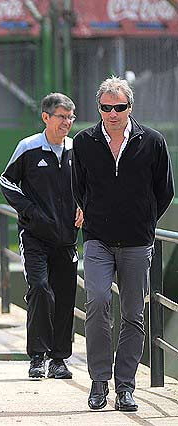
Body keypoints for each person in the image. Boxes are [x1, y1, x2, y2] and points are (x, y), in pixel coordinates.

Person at [72, 76, 174, 412]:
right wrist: (94, 215)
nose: (112, 113)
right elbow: (79, 187)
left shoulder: (153, 142)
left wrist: (144, 221)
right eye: (106, 107)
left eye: (119, 107)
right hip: (98, 239)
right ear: (98, 107)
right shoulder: (84, 142)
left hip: (137, 242)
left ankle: (126, 387)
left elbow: (165, 190)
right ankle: (99, 380)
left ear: (130, 107)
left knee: (133, 314)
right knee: (98, 301)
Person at [0, 93, 83, 380]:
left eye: (70, 117)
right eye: (61, 117)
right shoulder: (29, 148)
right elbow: (6, 181)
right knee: (39, 288)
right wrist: (30, 211)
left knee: (65, 296)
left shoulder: (77, 150)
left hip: (67, 239)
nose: (67, 123)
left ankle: (59, 360)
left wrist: (85, 207)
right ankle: (37, 356)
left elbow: (90, 185)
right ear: (46, 117)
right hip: (35, 237)